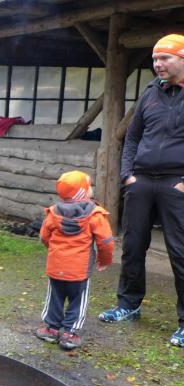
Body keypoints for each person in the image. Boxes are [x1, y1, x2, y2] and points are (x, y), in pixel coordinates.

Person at [98, 34, 184, 347]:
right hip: (141, 181)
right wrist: (127, 176)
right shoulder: (150, 93)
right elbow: (132, 137)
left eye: (165, 58)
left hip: (177, 182)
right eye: (155, 59)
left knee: (180, 251)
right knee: (133, 245)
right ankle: (128, 304)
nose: (158, 64)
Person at [36, 171, 114, 350]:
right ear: (83, 192)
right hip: (79, 271)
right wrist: (104, 260)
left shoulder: (54, 212)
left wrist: (54, 251)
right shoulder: (95, 215)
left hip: (56, 267)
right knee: (78, 300)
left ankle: (51, 329)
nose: (91, 189)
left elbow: (44, 236)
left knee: (55, 297)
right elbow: (106, 242)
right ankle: (70, 334)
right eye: (89, 186)